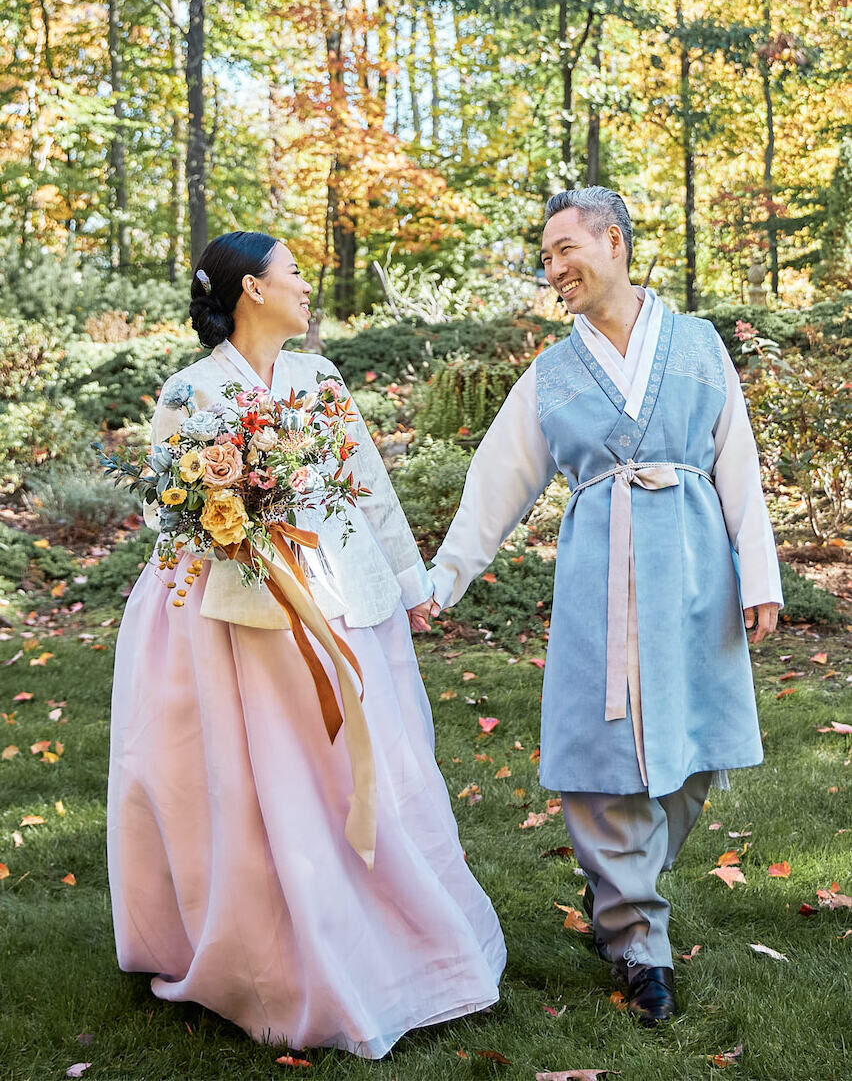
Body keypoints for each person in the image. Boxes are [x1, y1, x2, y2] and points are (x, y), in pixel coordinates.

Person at [107, 230, 505, 1059]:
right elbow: (163, 513)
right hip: (238, 617)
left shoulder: (320, 379)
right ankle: (276, 949)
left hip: (340, 600)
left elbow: (371, 491)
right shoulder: (188, 392)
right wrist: (231, 517)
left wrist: (408, 580)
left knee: (368, 772)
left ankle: (390, 931)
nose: (307, 286)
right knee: (261, 785)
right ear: (252, 288)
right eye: (294, 273)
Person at [428, 188, 782, 1027]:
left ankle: (621, 898)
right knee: (601, 766)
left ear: (613, 241)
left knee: (692, 762)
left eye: (563, 250)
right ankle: (637, 942)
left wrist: (760, 573)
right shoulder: (551, 375)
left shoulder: (697, 346)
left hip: (698, 580)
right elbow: (495, 484)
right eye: (545, 257)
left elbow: (738, 462)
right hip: (600, 585)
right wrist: (441, 581)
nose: (552, 270)